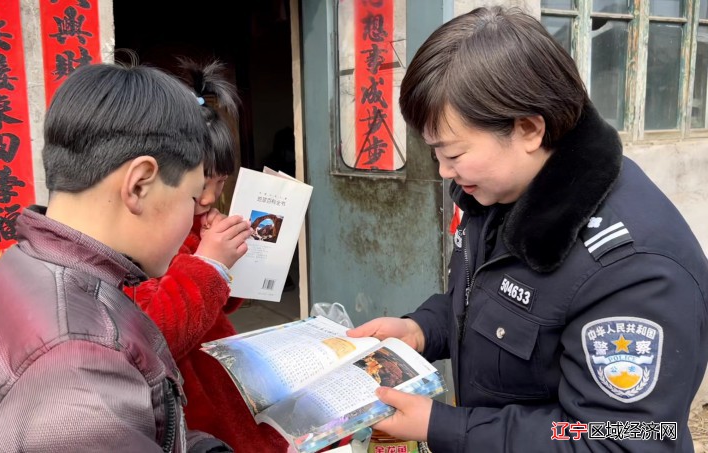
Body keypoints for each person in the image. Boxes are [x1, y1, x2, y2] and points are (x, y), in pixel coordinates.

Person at [348, 7, 708, 452]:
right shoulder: (498, 194)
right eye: (434, 153)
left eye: (454, 154)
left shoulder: (634, 269)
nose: (443, 171)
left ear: (529, 129)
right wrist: (421, 330)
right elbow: (486, 303)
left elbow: (619, 439)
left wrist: (448, 427)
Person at [0, 63, 229, 452]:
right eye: (192, 196)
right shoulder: (80, 361)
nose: (195, 212)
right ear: (139, 184)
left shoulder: (26, 264)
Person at [128, 59, 288, 453]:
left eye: (221, 183)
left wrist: (229, 258)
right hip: (192, 405)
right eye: (202, 184)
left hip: (221, 376)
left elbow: (223, 304)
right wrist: (209, 262)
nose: (211, 198)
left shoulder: (195, 224)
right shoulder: (144, 242)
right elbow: (157, 335)